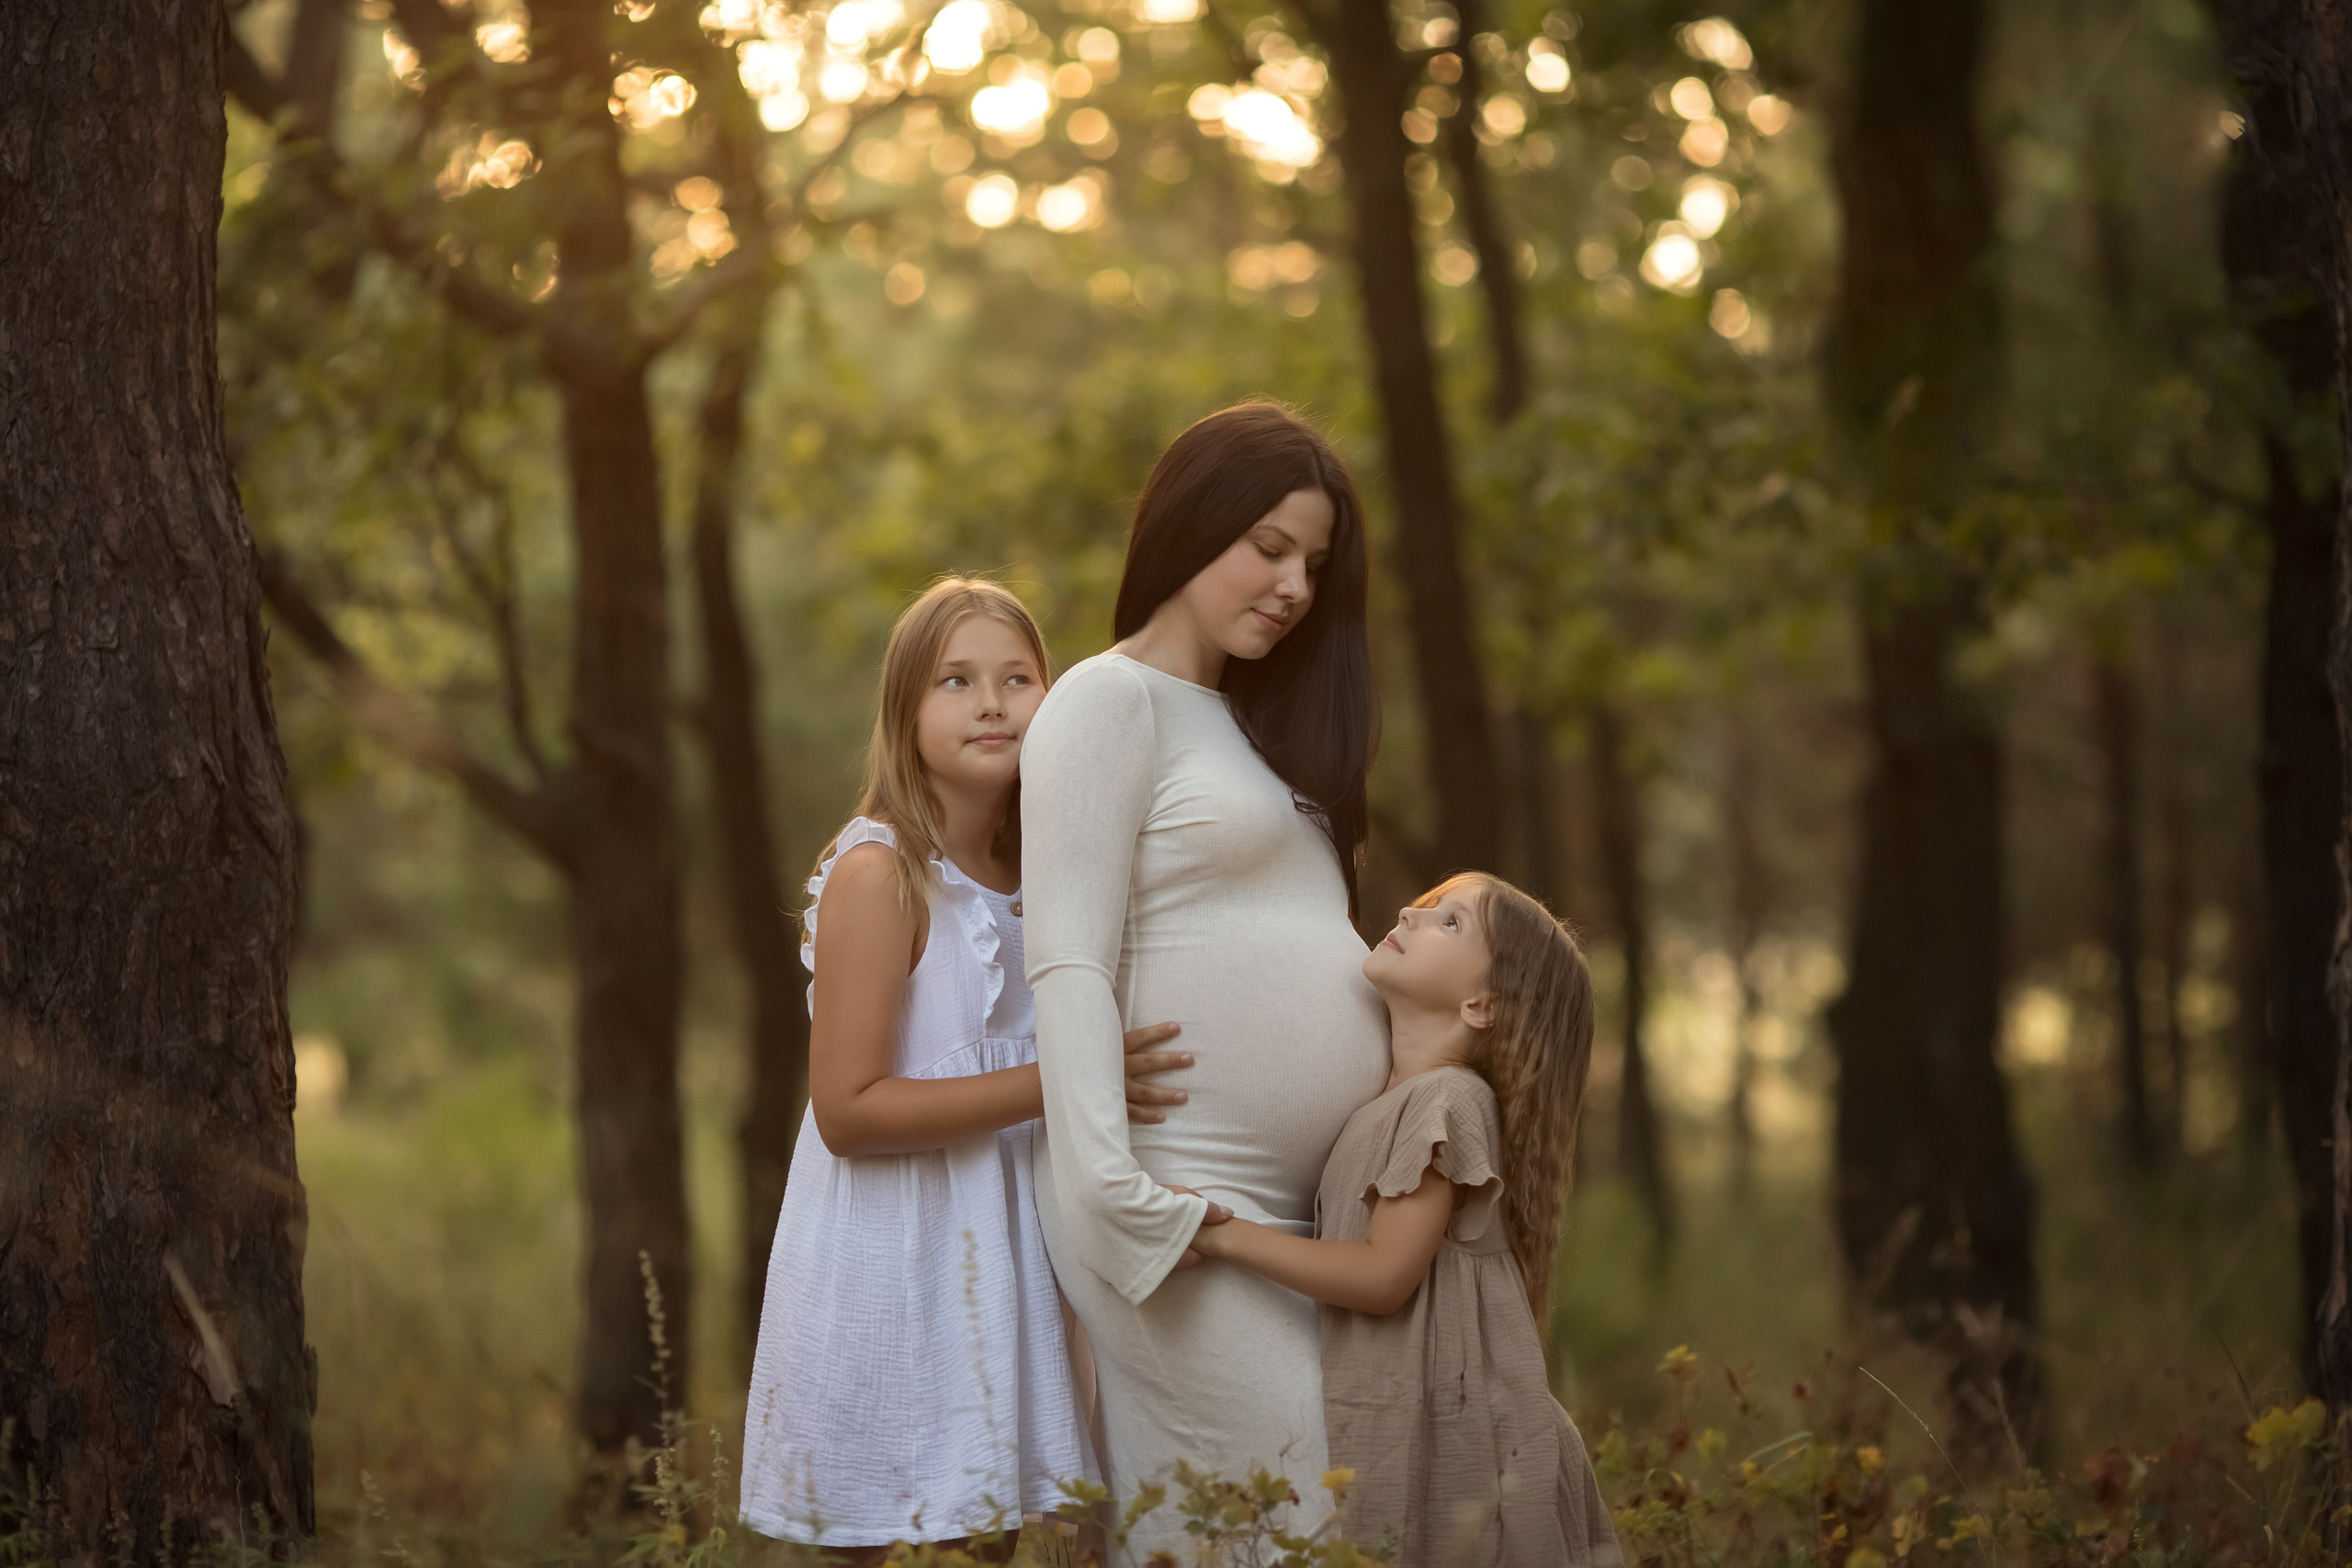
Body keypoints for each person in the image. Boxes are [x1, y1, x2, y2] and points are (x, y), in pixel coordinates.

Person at [740, 578, 1193, 1563]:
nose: (991, 703)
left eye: (1017, 678)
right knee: (891, 1532)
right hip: (897, 1252)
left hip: (1005, 1246)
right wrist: (1070, 1077)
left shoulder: (1052, 878)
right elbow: (848, 1110)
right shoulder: (880, 873)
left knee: (986, 1532)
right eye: (955, 680)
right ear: (904, 712)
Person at [1020, 401, 1391, 1559]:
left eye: (1313, 565)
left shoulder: (1252, 730)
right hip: (1175, 1200)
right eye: (1268, 547)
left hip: (1286, 1219)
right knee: (1303, 1514)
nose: (1293, 587)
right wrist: (1115, 1195)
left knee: (1239, 1529)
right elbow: (1067, 959)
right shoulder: (1107, 699)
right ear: (1189, 523)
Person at [1183, 873, 1623, 1568]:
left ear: (1481, 1004)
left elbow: (1382, 1274)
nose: (1411, 915)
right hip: (1416, 1419)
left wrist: (1217, 1232)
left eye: (1451, 923)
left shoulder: (1447, 1100)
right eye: (1430, 907)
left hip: (1466, 1446)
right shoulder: (1393, 1101)